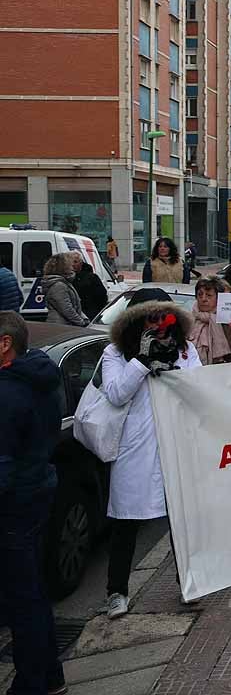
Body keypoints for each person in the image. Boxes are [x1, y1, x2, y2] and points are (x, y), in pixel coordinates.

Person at [102, 288, 202, 617]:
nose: (158, 324)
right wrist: (141, 362)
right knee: (126, 524)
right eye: (150, 318)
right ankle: (116, 591)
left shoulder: (185, 352)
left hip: (175, 442)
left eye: (163, 317)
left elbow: (199, 391)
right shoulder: (116, 355)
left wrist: (175, 376)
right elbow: (116, 394)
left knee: (182, 519)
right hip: (136, 449)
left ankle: (188, 583)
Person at [0, 311, 69, 695]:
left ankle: (30, 684)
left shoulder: (8, 392)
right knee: (32, 593)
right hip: (38, 491)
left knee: (21, 600)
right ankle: (50, 676)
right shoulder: (40, 376)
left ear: (5, 344)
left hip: (14, 505)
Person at [42, 253, 90, 326]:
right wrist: (81, 322)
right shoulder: (58, 285)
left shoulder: (64, 282)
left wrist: (84, 318)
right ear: (63, 266)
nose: (72, 266)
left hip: (65, 324)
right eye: (70, 264)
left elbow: (74, 306)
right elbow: (66, 309)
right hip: (61, 326)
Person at [69, 251, 109, 319]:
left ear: (81, 263)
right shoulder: (67, 278)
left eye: (75, 262)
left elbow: (102, 296)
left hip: (89, 314)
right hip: (73, 314)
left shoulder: (91, 277)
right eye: (70, 262)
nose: (72, 264)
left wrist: (94, 311)